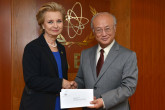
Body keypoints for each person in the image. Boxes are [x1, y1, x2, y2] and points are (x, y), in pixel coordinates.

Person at [74, 12, 138, 110]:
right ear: (93, 31)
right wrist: (75, 85)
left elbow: (129, 87)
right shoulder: (85, 54)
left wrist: (104, 100)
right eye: (99, 30)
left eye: (107, 29)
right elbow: (81, 79)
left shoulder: (128, 55)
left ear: (115, 28)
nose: (104, 34)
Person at [19, 2, 76, 110]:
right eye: (50, 22)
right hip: (38, 105)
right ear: (42, 25)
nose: (55, 25)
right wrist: (61, 83)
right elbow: (32, 80)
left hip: (60, 104)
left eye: (59, 21)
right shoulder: (33, 48)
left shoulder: (61, 48)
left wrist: (69, 85)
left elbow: (59, 76)